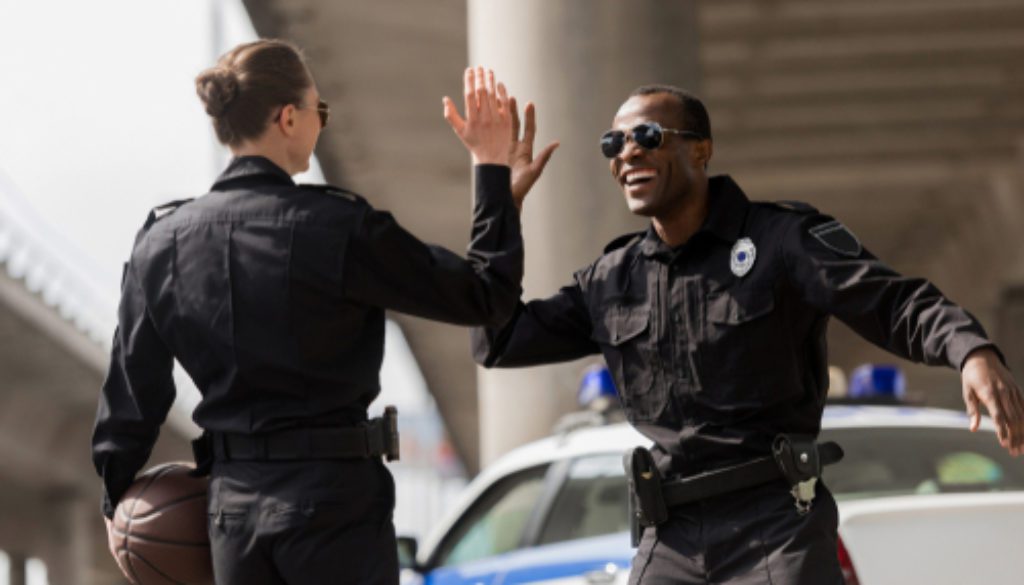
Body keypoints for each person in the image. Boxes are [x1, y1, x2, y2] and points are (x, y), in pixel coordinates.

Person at [473, 85, 1024, 584]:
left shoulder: (782, 240)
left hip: (776, 528)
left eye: (647, 136)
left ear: (701, 150)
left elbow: (891, 299)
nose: (628, 153)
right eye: (612, 143)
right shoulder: (613, 278)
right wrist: (502, 202)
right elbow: (499, 340)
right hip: (669, 536)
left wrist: (970, 349)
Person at [91, 38, 533, 585]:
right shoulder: (338, 227)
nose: (322, 124)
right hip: (334, 507)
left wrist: (118, 501)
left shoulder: (160, 244)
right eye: (320, 111)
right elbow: (485, 296)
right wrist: (493, 176)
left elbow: (133, 393)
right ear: (289, 118)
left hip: (231, 515)